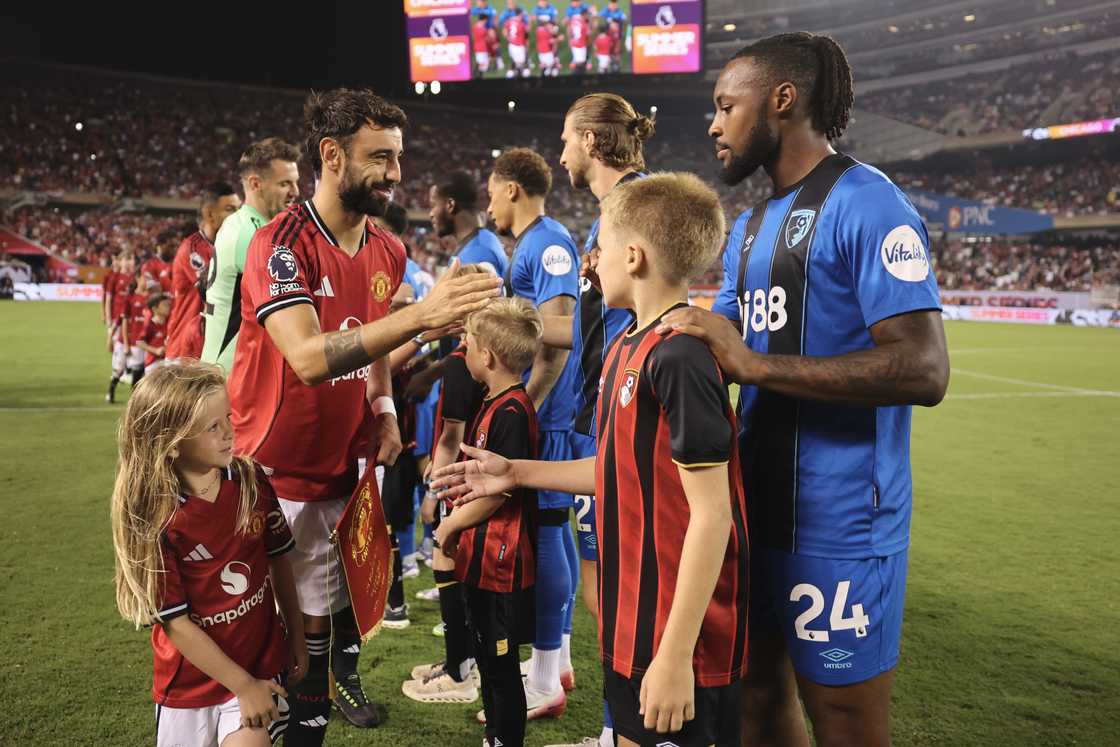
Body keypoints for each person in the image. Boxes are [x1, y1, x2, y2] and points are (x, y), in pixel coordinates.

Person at [657, 32, 950, 747]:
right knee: (756, 699)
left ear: (782, 100)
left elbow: (924, 368)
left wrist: (757, 366)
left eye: (726, 106)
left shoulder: (869, 202)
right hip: (752, 506)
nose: (714, 124)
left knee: (843, 720)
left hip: (841, 523)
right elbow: (720, 341)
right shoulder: (750, 227)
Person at [435, 172, 749, 747]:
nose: (591, 260)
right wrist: (517, 472)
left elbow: (713, 515)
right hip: (634, 613)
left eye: (600, 245)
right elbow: (617, 469)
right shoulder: (627, 345)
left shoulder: (680, 358)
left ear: (633, 256)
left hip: (679, 633)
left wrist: (676, 654)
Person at [228, 87, 501, 745]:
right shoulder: (278, 244)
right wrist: (423, 316)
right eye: (380, 157)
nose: (396, 173)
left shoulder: (387, 249)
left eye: (397, 158)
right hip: (270, 473)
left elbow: (373, 345)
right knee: (259, 647)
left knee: (318, 635)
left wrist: (382, 408)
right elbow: (306, 357)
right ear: (332, 155)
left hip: (342, 469)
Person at [110, 362, 307, 747]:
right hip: (189, 685)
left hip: (258, 668)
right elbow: (177, 624)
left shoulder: (250, 481)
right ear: (172, 443)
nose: (229, 432)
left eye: (228, 418)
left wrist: (295, 637)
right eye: (212, 427)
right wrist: (242, 685)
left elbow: (280, 562)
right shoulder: (156, 517)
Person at [545, 91, 655, 747]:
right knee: (605, 588)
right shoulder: (609, 215)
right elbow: (593, 329)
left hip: (626, 417)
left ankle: (630, 730)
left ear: (590, 140)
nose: (561, 153)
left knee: (620, 589)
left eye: (566, 138)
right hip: (603, 417)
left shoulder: (636, 208)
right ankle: (620, 728)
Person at [487, 147, 580, 720]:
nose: (490, 206)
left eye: (492, 193)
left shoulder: (547, 243)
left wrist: (528, 407)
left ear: (512, 189)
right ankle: (557, 660)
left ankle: (544, 679)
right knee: (553, 528)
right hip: (549, 412)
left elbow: (556, 337)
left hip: (551, 415)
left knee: (545, 530)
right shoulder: (535, 243)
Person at [435, 297, 543, 747]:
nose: (463, 350)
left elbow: (500, 493)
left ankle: (504, 738)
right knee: (487, 657)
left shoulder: (513, 411)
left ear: (488, 356)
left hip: (502, 562)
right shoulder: (495, 401)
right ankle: (495, 735)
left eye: (468, 343)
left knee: (500, 666)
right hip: (483, 557)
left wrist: (449, 526)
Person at [403, 265, 494, 705]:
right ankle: (463, 661)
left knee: (446, 561)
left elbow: (450, 438)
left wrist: (432, 493)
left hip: (460, 477)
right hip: (479, 472)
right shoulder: (485, 356)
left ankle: (460, 671)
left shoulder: (462, 362)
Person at [201, 137, 301, 374]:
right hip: (230, 373)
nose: (295, 192)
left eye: (296, 182)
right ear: (255, 183)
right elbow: (290, 313)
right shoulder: (250, 234)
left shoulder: (246, 225)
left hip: (237, 367)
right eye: (285, 184)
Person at [166, 182, 241, 361]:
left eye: (239, 209)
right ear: (209, 214)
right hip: (185, 350)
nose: (238, 215)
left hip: (211, 347)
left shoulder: (225, 247)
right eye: (230, 209)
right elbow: (213, 289)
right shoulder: (193, 249)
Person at [429, 171, 509, 278]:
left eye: (433, 205)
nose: (431, 214)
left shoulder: (477, 253)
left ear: (450, 205)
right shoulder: (480, 242)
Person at [136, 293, 172, 374]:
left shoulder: (170, 323)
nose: (168, 307)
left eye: (169, 304)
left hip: (166, 361)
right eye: (165, 305)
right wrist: (155, 350)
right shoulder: (149, 325)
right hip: (153, 363)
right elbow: (139, 342)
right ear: (155, 309)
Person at [141, 229, 177, 293]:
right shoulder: (149, 266)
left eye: (176, 246)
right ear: (159, 246)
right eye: (171, 246)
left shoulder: (180, 263)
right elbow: (155, 293)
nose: (175, 249)